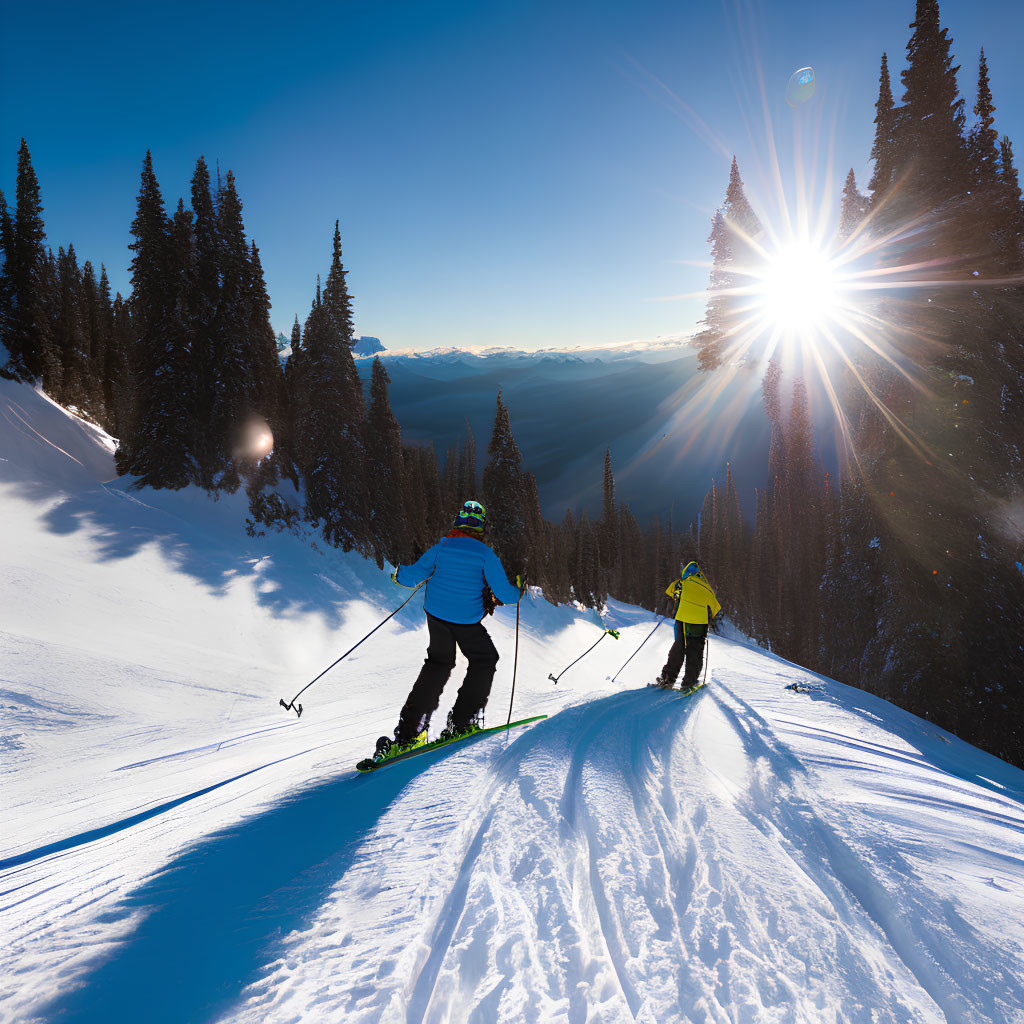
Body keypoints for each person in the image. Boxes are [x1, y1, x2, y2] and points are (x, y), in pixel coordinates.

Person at [368, 499, 524, 764]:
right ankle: (462, 722)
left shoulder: (442, 547)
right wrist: (518, 587)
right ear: (480, 527)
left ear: (458, 523)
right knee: (484, 659)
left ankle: (410, 734)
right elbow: (506, 596)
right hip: (466, 620)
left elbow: (411, 576)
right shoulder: (486, 554)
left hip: (436, 615)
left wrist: (397, 574)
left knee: (438, 664)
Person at [655, 561, 721, 690]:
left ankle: (668, 678)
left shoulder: (680, 583)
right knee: (695, 652)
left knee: (678, 647)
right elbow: (716, 609)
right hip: (699, 624)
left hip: (682, 620)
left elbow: (670, 594)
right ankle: (689, 682)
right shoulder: (707, 589)